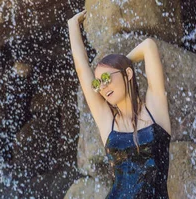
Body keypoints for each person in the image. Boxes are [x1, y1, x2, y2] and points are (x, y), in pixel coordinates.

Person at [67, 10, 172, 199]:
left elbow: (149, 46)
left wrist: (124, 65)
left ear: (128, 75)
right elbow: (82, 69)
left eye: (107, 78)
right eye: (98, 82)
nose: (103, 86)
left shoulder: (154, 109)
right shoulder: (107, 120)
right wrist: (73, 25)